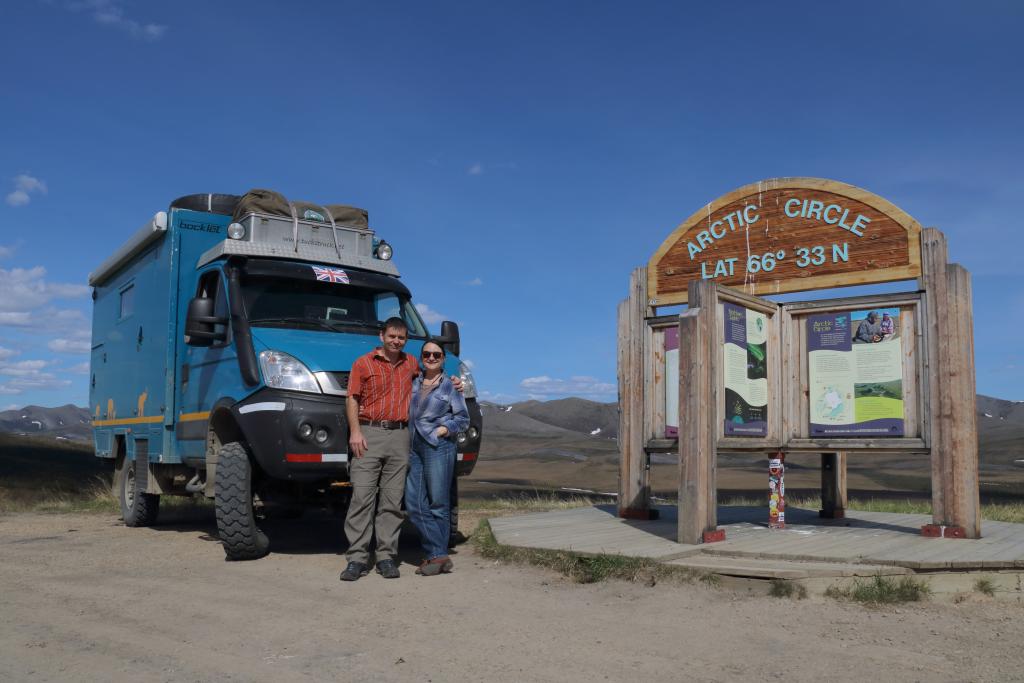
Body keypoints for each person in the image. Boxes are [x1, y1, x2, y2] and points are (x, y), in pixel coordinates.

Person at [339, 317, 420, 581]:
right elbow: (352, 398)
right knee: (362, 497)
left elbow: (429, 381)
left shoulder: (411, 363)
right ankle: (357, 558)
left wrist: (453, 382)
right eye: (392, 336)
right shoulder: (363, 363)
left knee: (392, 501)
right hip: (368, 433)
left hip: (400, 436)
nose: (396, 341)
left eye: (401, 337)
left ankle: (386, 556)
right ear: (381, 336)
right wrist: (355, 432)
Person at [405, 340, 469, 576]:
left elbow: (463, 420)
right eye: (427, 354)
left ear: (443, 358)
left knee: (438, 504)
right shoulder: (413, 382)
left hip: (439, 447)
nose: (431, 357)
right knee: (413, 504)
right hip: (413, 447)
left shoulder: (451, 386)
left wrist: (442, 431)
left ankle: (435, 557)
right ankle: (439, 554)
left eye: (436, 354)